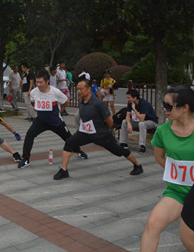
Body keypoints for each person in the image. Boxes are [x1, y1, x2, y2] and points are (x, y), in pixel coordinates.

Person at [53, 79, 143, 180]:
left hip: (101, 135)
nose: (79, 91)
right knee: (69, 143)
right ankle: (64, 170)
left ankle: (137, 165)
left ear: (89, 89)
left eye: (81, 89)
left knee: (118, 151)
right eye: (77, 89)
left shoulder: (98, 103)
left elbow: (109, 120)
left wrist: (105, 130)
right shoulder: (81, 102)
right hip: (85, 133)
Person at [140, 86, 194, 251]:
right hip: (176, 191)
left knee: (188, 239)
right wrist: (177, 173)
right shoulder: (163, 131)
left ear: (184, 108)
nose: (165, 109)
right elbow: (159, 157)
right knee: (152, 225)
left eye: (169, 106)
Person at [18, 71, 87, 169]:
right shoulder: (34, 92)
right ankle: (25, 159)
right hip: (41, 121)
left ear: (47, 81)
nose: (38, 85)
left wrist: (60, 111)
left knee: (68, 138)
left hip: (56, 121)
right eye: (37, 82)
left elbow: (66, 101)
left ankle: (78, 150)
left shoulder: (55, 92)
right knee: (29, 135)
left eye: (40, 82)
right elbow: (34, 102)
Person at [118, 89, 158, 154]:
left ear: (135, 97)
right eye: (127, 97)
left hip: (151, 122)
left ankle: (142, 146)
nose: (128, 99)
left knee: (142, 124)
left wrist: (134, 108)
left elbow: (142, 119)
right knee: (124, 121)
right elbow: (127, 115)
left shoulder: (144, 104)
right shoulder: (130, 103)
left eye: (129, 98)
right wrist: (129, 124)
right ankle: (123, 143)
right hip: (138, 121)